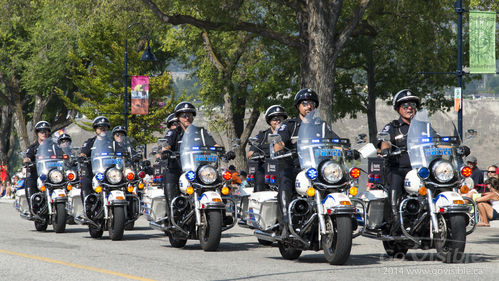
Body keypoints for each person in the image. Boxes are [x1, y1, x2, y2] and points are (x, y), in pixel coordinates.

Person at [274, 88, 338, 238]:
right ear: (298, 106)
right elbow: (279, 141)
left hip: (318, 168)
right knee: (285, 182)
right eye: (305, 103)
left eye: (311, 104)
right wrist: (279, 149)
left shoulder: (322, 126)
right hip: (294, 167)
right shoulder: (289, 125)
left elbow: (335, 141)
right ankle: (285, 225)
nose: (309, 106)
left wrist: (346, 150)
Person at [379, 89, 420, 235]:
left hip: (420, 170)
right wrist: (386, 150)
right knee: (395, 182)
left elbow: (437, 140)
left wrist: (455, 147)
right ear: (398, 109)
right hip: (398, 168)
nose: (410, 108)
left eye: (413, 105)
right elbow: (385, 141)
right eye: (406, 105)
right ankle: (395, 220)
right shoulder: (392, 127)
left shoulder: (424, 127)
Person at [247, 105, 288, 192]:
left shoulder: (288, 133)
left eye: (280, 119)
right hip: (266, 167)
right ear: (269, 121)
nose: (278, 121)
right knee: (260, 177)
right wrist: (257, 154)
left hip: (285, 166)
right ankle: (258, 197)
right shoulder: (263, 135)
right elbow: (250, 154)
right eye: (274, 119)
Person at [80, 116, 111, 211]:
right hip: (95, 171)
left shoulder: (112, 142)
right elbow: (83, 153)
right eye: (100, 128)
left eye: (105, 128)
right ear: (96, 129)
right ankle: (88, 207)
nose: (103, 130)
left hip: (110, 172)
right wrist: (82, 157)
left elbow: (122, 151)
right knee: (86, 182)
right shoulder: (91, 142)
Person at [23, 121, 52, 216]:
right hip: (36, 173)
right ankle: (32, 208)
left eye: (46, 131)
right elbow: (28, 157)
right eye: (41, 131)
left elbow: (61, 154)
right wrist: (27, 160)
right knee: (30, 182)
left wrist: (66, 157)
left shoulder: (53, 146)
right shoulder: (33, 147)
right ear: (37, 133)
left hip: (50, 173)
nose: (44, 133)